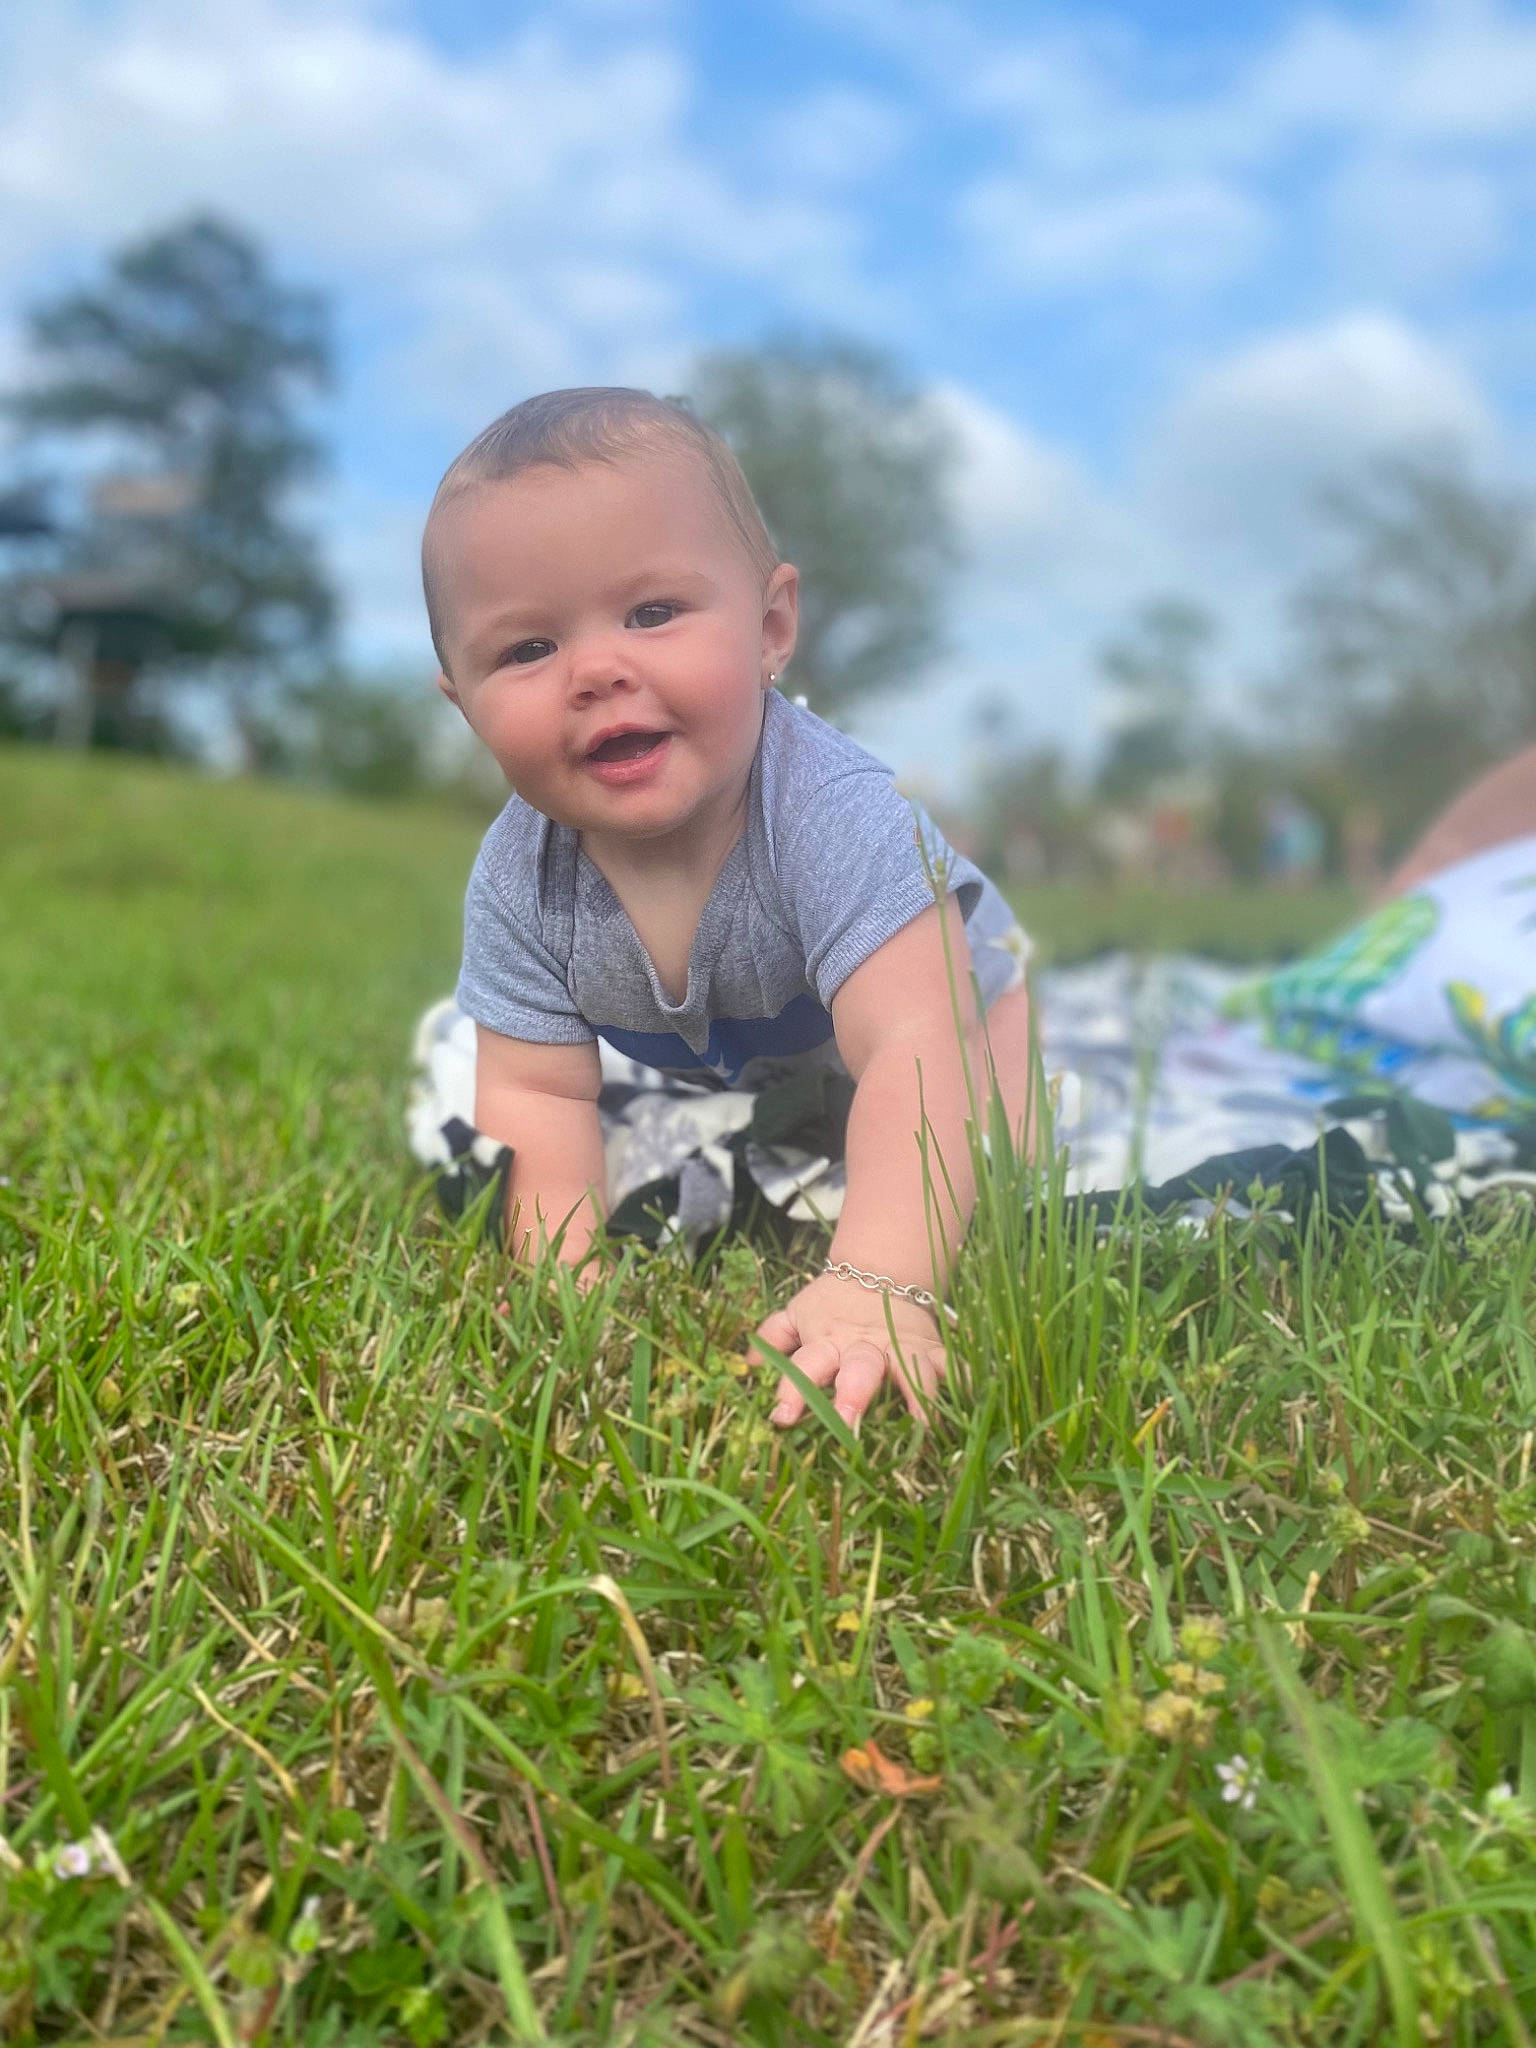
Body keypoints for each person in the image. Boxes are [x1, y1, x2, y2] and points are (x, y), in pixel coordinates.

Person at [420, 387, 1035, 1437]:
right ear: (464, 702)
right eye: (526, 650)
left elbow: (918, 1043)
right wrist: (563, 1282)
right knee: (779, 1118)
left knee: (998, 1143)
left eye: (652, 613)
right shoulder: (521, 879)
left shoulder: (832, 816)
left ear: (770, 627)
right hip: (761, 1052)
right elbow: (534, 1091)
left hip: (956, 1003)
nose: (597, 671)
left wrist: (881, 1283)